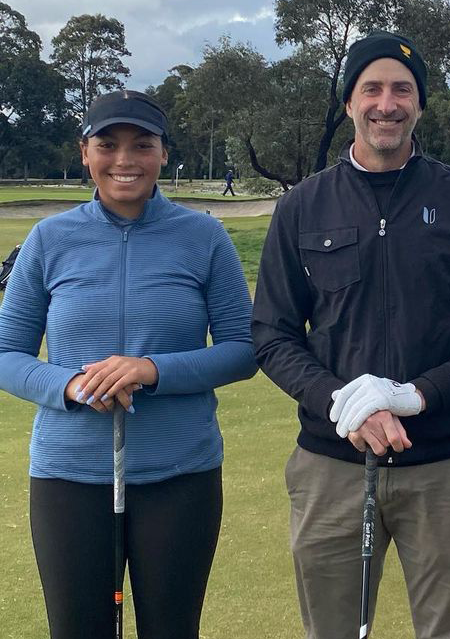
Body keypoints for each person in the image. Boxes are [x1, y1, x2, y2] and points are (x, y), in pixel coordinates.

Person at [252, 31, 450, 639]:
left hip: (444, 464)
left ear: (421, 104)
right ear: (348, 102)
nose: (387, 103)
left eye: (402, 89)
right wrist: (343, 403)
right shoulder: (302, 206)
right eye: (370, 88)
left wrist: (415, 395)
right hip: (332, 464)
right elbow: (272, 335)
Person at [0, 90, 257, 639]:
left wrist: (152, 370)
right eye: (108, 145)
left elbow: (243, 348)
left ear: (163, 154)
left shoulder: (203, 237)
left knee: (171, 629)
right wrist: (68, 383)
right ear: (85, 152)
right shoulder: (49, 239)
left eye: (142, 145)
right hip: (70, 474)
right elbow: (6, 354)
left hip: (179, 473)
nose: (125, 160)